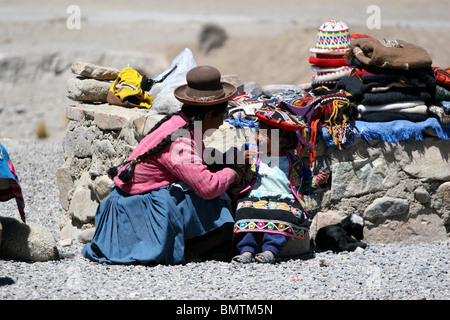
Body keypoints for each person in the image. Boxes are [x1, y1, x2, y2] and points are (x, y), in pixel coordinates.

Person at [82, 65, 242, 265]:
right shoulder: (179, 142)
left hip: (134, 198)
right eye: (220, 117)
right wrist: (232, 173)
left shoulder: (180, 122)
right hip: (134, 212)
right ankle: (188, 247)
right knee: (216, 203)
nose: (221, 123)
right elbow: (208, 187)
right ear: (208, 115)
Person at [229, 103, 328, 263]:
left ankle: (270, 251)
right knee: (244, 210)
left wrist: (318, 181)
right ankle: (246, 250)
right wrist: (240, 161)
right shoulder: (253, 156)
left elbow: (305, 186)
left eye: (264, 135)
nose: (257, 137)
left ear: (282, 141)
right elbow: (239, 175)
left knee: (284, 213)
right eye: (258, 133)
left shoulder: (294, 163)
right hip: (255, 199)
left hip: (284, 200)